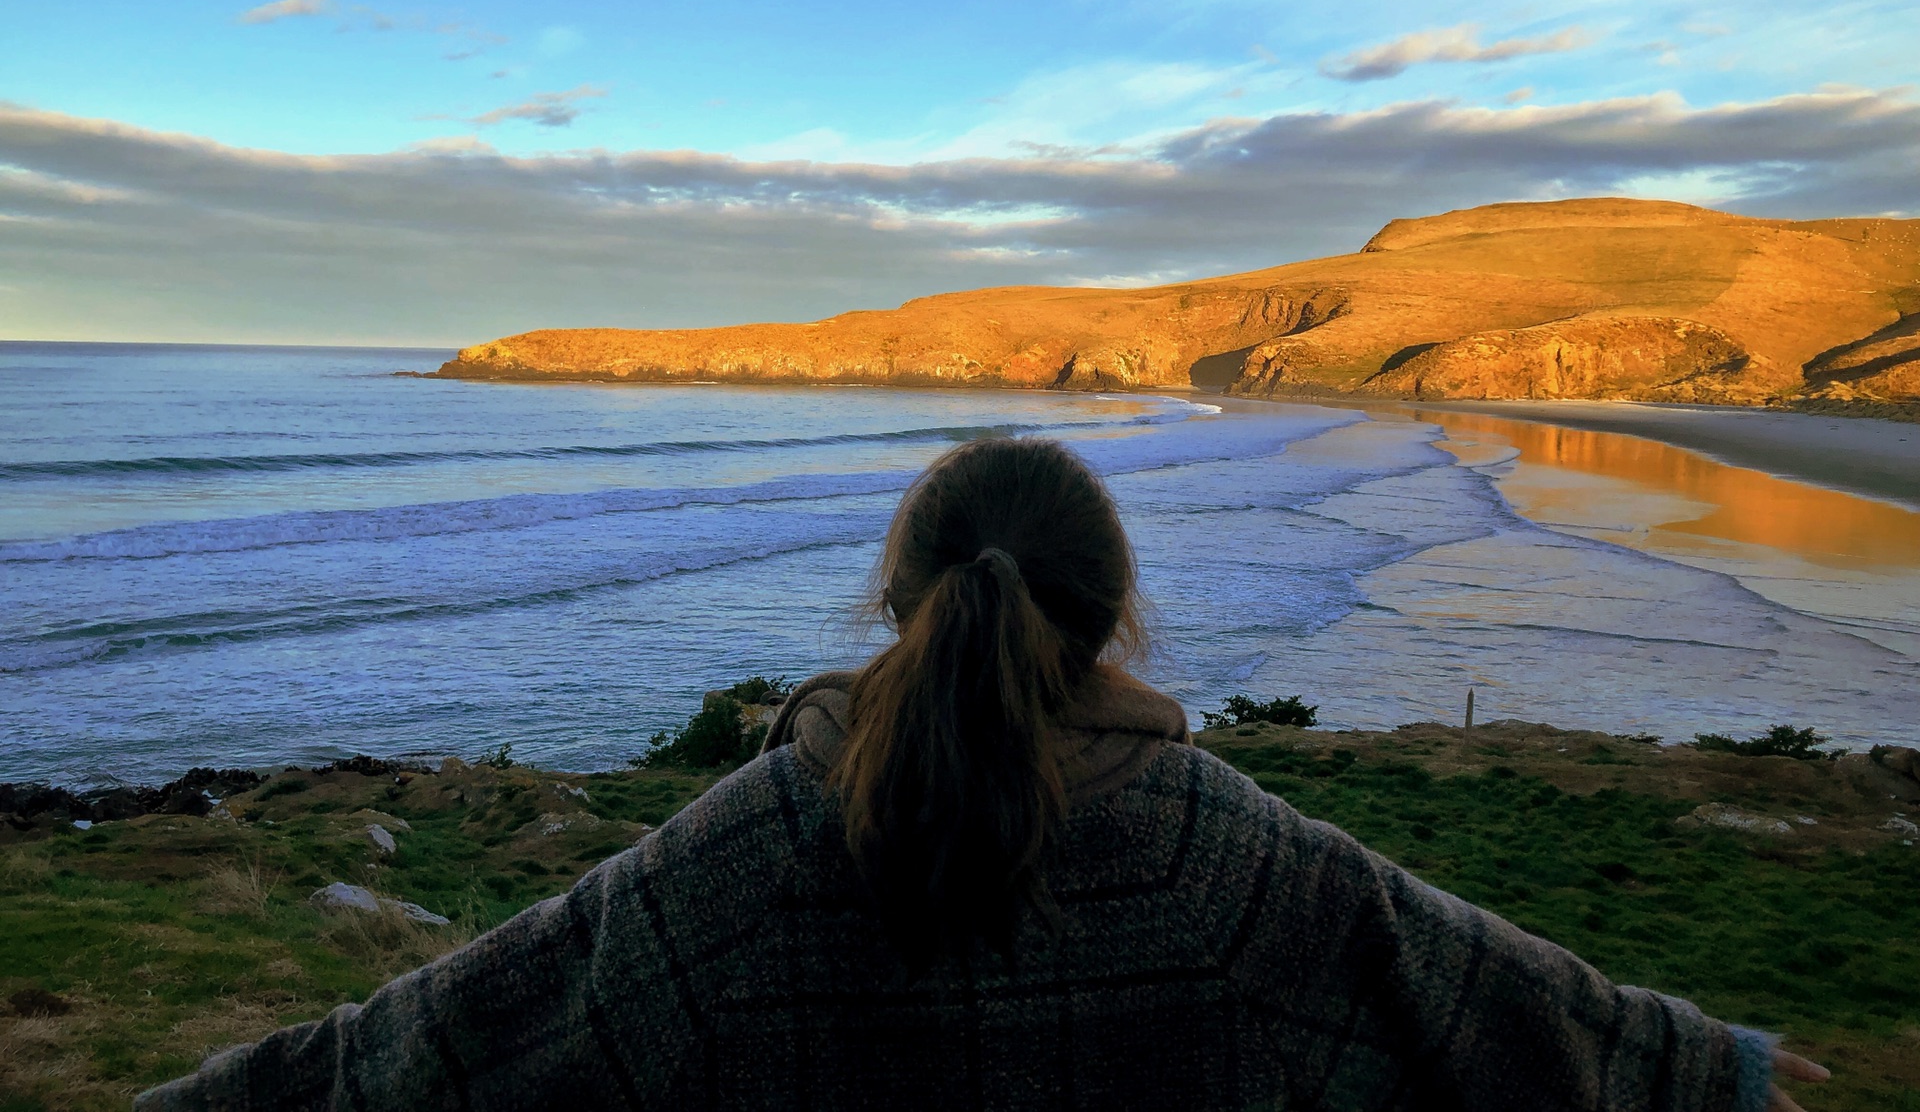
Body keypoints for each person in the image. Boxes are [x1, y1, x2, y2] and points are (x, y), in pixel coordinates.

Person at [139, 437, 1829, 1111]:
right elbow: (1548, 1032)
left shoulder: (732, 873)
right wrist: (1744, 1065)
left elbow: (415, 1058)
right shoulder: (1241, 872)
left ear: (894, 602)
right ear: (1117, 620)